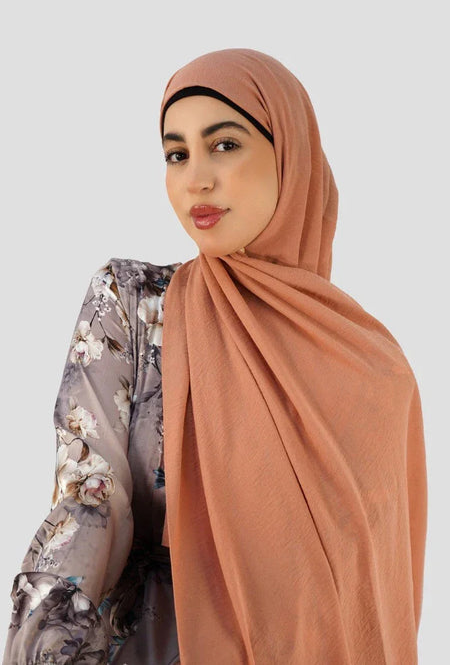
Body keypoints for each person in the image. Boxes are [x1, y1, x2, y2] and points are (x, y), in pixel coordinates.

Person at [2, 47, 427, 664]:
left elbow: (377, 597)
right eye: (177, 154)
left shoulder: (374, 370)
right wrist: (45, 642)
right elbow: (91, 498)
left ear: (291, 158)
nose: (195, 179)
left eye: (224, 145)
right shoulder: (134, 308)